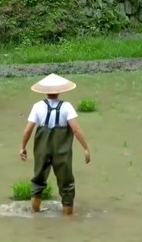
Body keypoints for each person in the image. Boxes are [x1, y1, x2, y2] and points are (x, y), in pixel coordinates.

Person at [19, 74, 91, 215]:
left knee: (38, 181)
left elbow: (28, 129)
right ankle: (68, 218)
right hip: (62, 151)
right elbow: (75, 129)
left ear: (45, 91)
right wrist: (86, 148)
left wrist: (22, 146)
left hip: (41, 149)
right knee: (66, 184)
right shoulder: (67, 107)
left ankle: (35, 214)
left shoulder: (37, 106)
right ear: (60, 91)